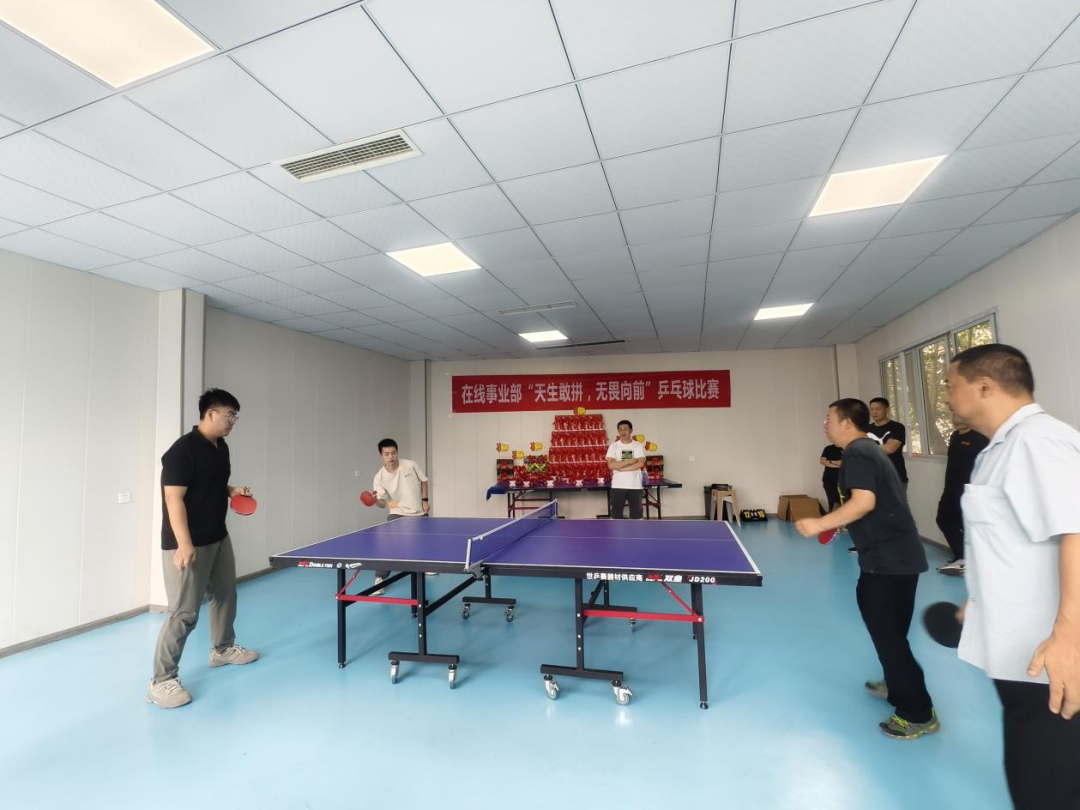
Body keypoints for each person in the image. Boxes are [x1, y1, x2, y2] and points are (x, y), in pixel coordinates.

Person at [945, 343, 1080, 810]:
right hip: (1020, 654)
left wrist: (1068, 638)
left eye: (950, 386)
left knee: (1046, 785)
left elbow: (1077, 531)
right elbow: (1009, 541)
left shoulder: (1038, 442)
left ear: (984, 386)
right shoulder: (998, 449)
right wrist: (977, 602)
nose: (946, 397)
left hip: (1051, 662)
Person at [795, 398, 937, 740]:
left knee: (888, 635)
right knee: (892, 632)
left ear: (847, 423)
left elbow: (864, 502)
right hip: (900, 557)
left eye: (829, 418)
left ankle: (917, 712)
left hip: (888, 561)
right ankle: (896, 684)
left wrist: (820, 523)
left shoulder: (858, 452)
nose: (825, 424)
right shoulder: (869, 449)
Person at [147, 389, 259, 709]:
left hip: (218, 537)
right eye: (229, 415)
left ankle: (223, 649)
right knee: (184, 612)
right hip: (187, 543)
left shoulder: (220, 447)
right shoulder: (181, 451)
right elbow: (174, 498)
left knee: (225, 595)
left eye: (235, 416)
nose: (233, 421)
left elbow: (210, 482)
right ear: (210, 413)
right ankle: (161, 681)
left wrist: (231, 490)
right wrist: (184, 543)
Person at [371, 439, 429, 593]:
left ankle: (425, 567)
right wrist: (375, 500)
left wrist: (425, 500)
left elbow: (424, 481)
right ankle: (379, 578)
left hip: (419, 511)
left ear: (397, 452)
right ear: (381, 455)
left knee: (425, 542)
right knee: (389, 544)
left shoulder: (410, 465)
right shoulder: (379, 477)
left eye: (393, 453)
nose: (391, 457)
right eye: (387, 454)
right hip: (397, 512)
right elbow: (382, 504)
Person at [935, 417, 988, 576]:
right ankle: (962, 556)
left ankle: (969, 560)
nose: (956, 418)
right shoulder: (955, 436)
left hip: (970, 491)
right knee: (943, 520)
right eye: (954, 415)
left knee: (968, 526)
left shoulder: (980, 437)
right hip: (950, 489)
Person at [867, 397, 908, 495]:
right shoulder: (866, 429)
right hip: (873, 477)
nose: (874, 412)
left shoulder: (897, 427)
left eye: (878, 409)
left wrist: (868, 446)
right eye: (872, 409)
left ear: (887, 409)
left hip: (895, 476)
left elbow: (890, 449)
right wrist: (883, 446)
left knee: (896, 505)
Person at [606, 420, 645, 519]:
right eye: (620, 429)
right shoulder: (613, 446)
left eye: (625, 429)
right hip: (618, 486)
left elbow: (640, 463)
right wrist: (630, 461)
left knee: (637, 517)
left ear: (631, 430)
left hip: (635, 486)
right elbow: (611, 465)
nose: (623, 432)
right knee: (616, 516)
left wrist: (621, 468)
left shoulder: (638, 445)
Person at [820, 442, 843, 514]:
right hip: (829, 481)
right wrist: (836, 465)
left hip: (844, 481)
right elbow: (822, 461)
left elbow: (843, 462)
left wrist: (830, 461)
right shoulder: (828, 448)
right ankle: (833, 519)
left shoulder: (848, 448)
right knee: (833, 503)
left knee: (844, 503)